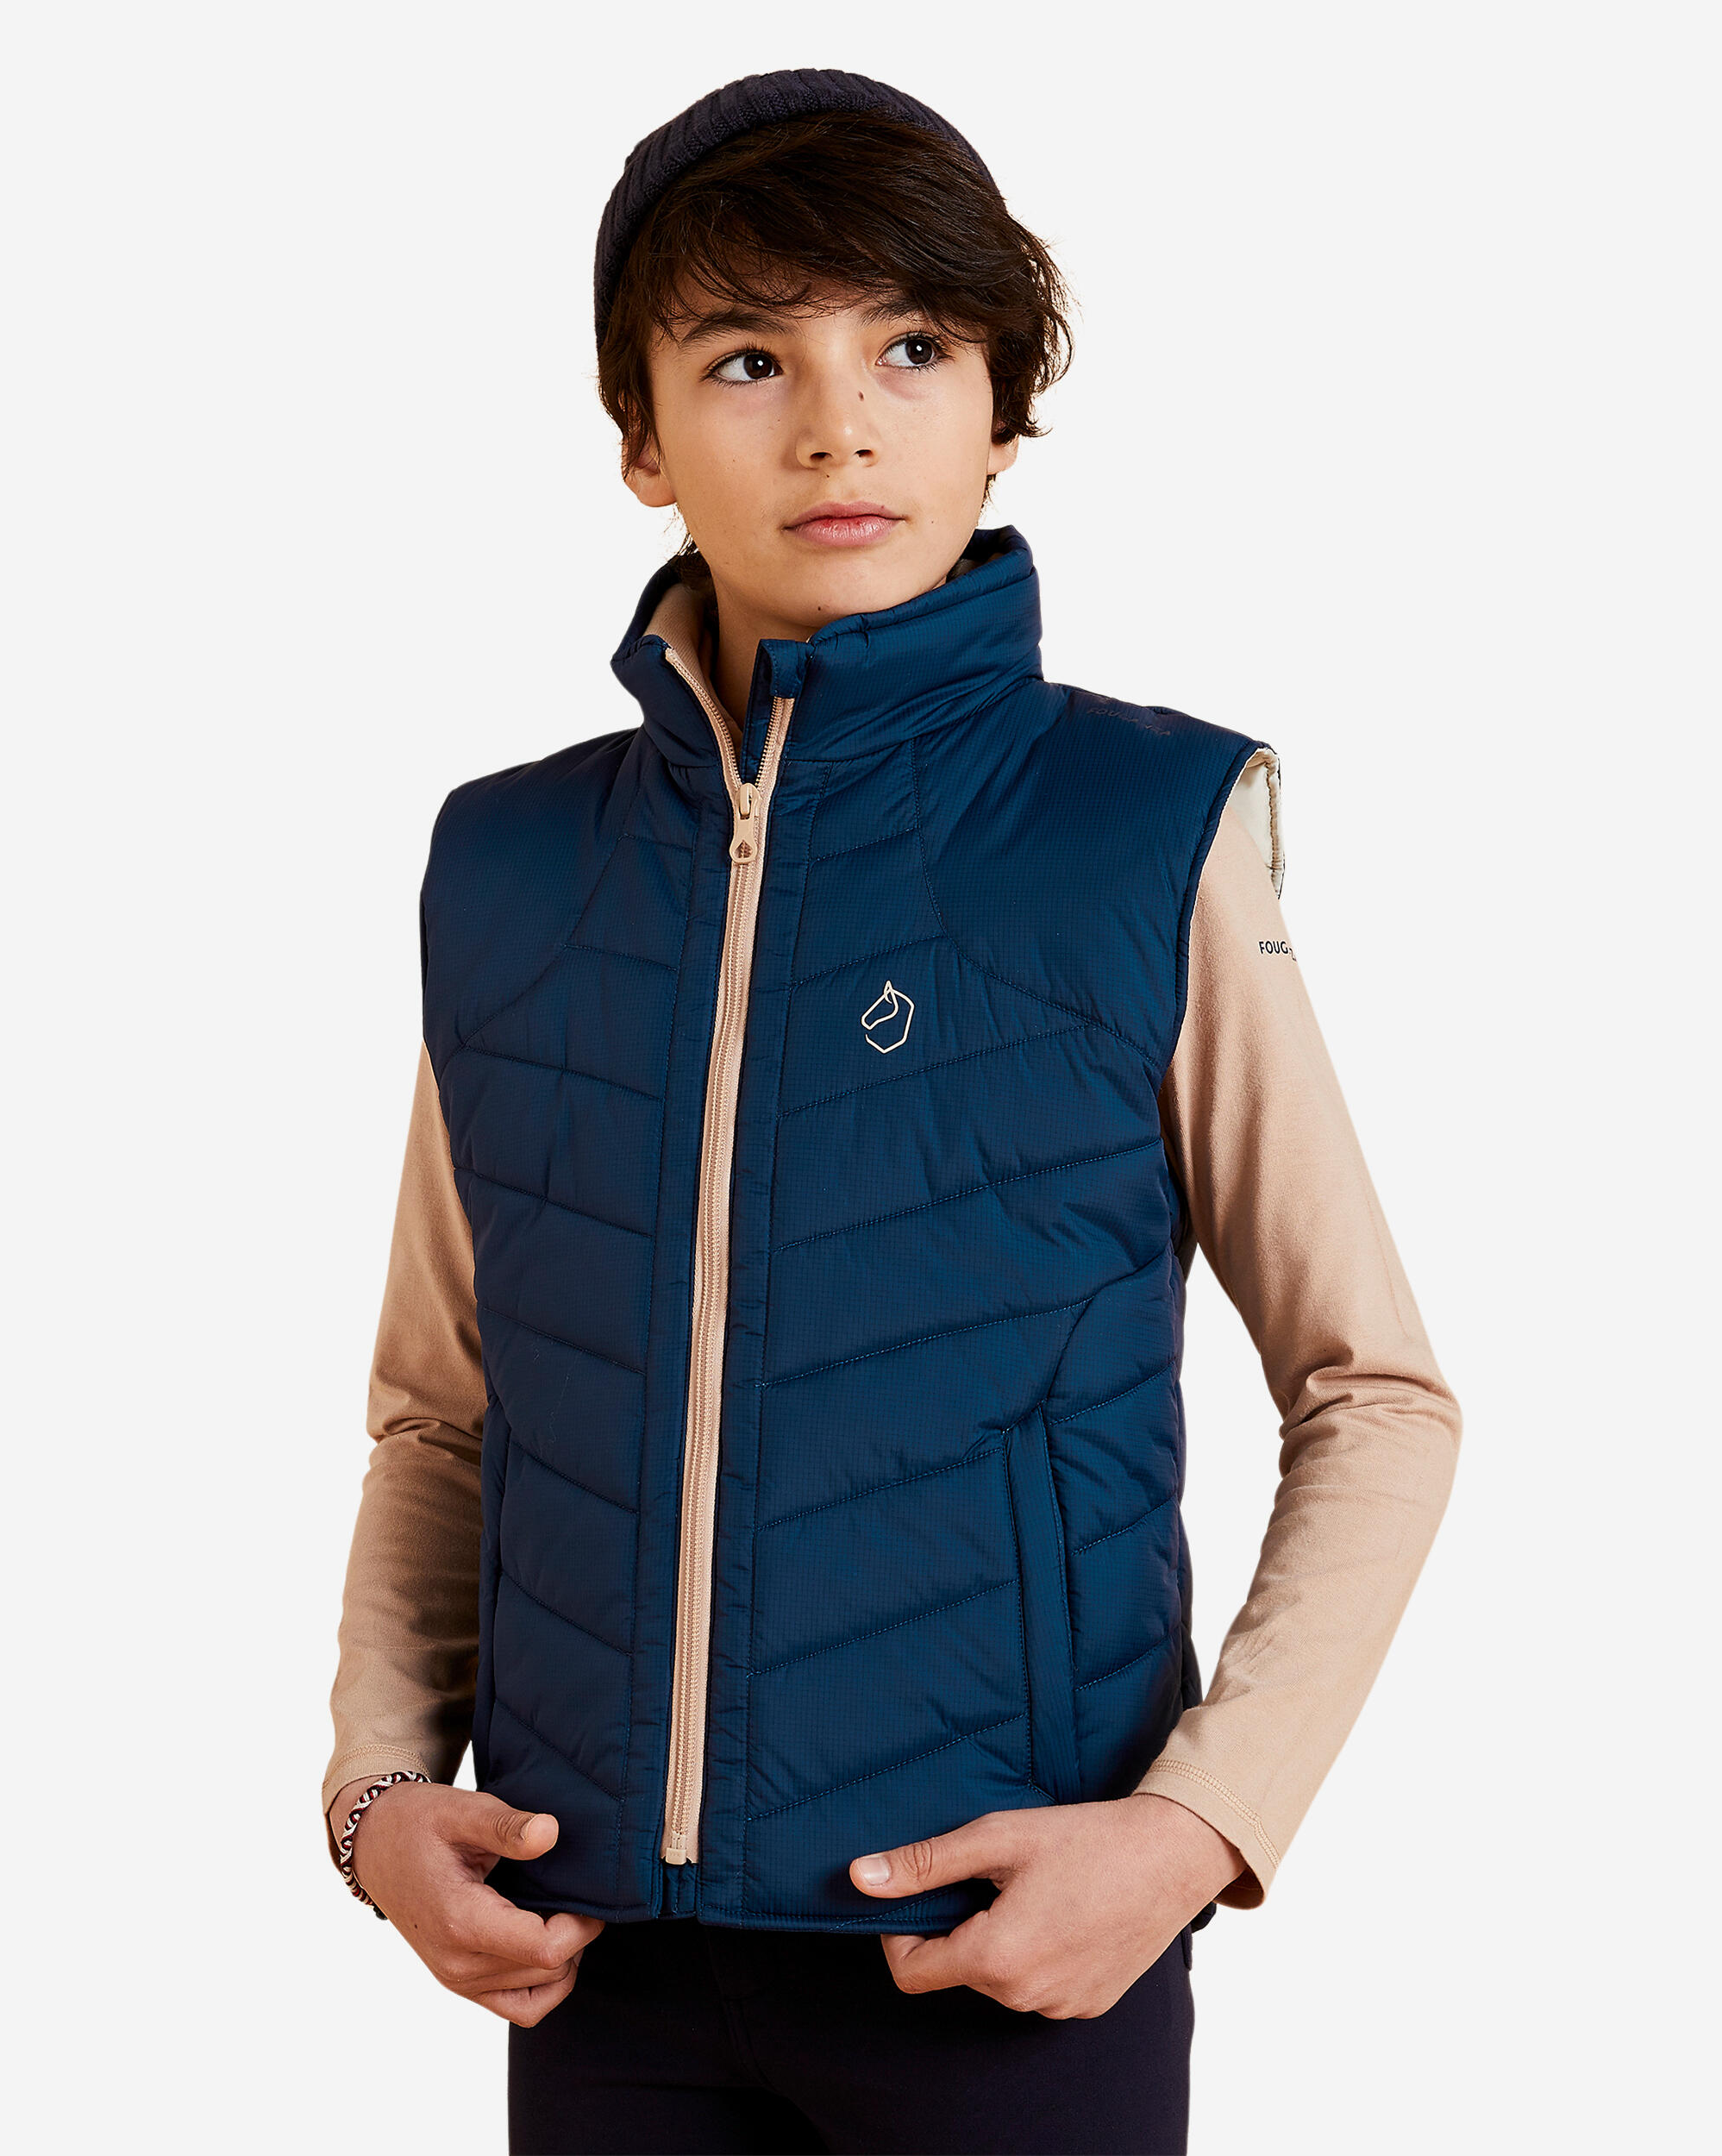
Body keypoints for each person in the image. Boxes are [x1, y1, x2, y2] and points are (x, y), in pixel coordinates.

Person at [322, 69, 1461, 2156]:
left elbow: (1371, 1389)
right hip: (593, 1966)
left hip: (1007, 1954)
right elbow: (443, 1415)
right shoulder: (508, 870)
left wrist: (1194, 1827)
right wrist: (377, 1790)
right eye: (748, 359)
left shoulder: (1140, 829)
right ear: (641, 439)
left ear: (1001, 410)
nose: (837, 427)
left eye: (911, 348)